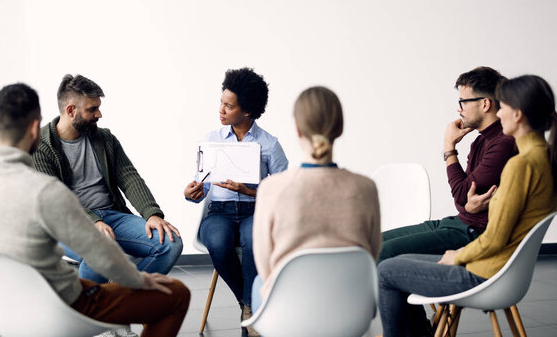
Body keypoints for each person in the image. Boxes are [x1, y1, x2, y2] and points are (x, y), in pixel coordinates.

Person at [0, 83, 190, 337]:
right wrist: (139, 282)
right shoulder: (45, 190)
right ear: (35, 127)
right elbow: (100, 252)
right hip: (68, 307)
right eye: (93, 109)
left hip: (7, 316)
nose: (99, 115)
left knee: (164, 244)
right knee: (176, 294)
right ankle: (116, 316)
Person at [378, 75, 557, 336]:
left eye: (503, 106)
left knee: (386, 270)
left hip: (484, 272)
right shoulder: (543, 158)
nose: (500, 112)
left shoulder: (522, 165)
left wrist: (457, 255)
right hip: (497, 268)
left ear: (517, 115)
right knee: (394, 259)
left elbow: (495, 238)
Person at [33, 75, 182, 285]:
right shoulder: (40, 146)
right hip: (65, 222)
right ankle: (90, 313)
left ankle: (119, 300)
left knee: (169, 243)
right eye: (92, 109)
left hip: (113, 216)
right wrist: (93, 221)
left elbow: (129, 177)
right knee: (99, 249)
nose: (99, 114)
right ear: (70, 110)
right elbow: (55, 200)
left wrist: (152, 214)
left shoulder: (105, 138)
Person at [252, 86, 381, 310]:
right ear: (340, 129)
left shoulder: (271, 189)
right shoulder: (366, 188)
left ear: (298, 129)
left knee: (257, 283)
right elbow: (372, 255)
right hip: (351, 311)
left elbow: (265, 266)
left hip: (288, 314)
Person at [183, 68, 288, 335]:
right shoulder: (212, 140)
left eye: (229, 106)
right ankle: (249, 305)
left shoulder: (269, 144)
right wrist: (192, 192)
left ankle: (250, 310)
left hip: (256, 210)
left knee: (254, 240)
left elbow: (284, 192)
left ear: (248, 111)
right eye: (221, 102)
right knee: (218, 242)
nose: (221, 110)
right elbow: (202, 185)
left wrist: (250, 190)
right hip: (219, 211)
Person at [378, 67, 516, 263]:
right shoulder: (481, 141)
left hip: (473, 232)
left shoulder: (503, 143)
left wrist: (449, 147)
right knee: (374, 242)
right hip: (458, 222)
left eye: (463, 102)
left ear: (485, 104)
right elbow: (462, 201)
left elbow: (461, 194)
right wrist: (467, 206)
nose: (459, 109)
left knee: (385, 251)